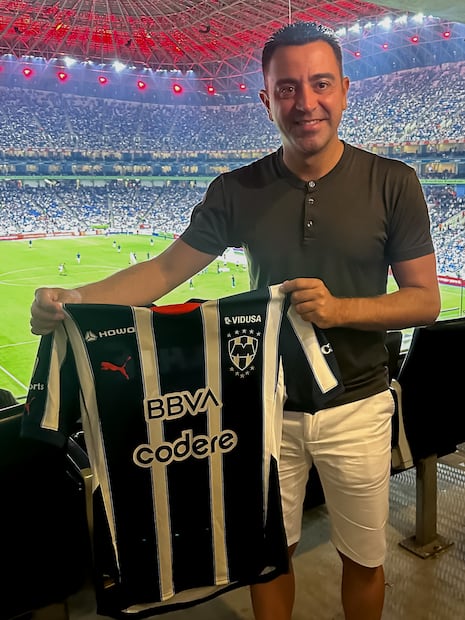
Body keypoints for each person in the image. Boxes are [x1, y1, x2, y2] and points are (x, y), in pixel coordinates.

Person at [30, 21, 440, 620]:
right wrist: (73, 298)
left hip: (360, 404)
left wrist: (341, 310)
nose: (306, 102)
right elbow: (165, 270)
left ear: (345, 91)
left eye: (321, 83)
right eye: (288, 88)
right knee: (267, 556)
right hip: (263, 407)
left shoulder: (393, 182)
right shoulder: (238, 189)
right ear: (266, 99)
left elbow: (425, 300)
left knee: (364, 557)